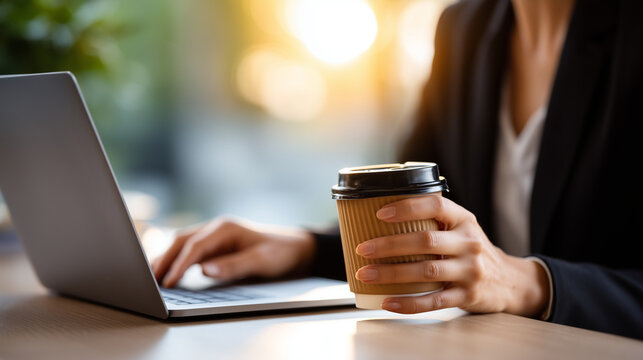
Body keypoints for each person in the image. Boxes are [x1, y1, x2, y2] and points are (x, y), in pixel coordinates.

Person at [152, 0, 643, 339]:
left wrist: (530, 283)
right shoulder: (463, 28)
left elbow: (493, 271)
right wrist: (303, 249)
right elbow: (417, 223)